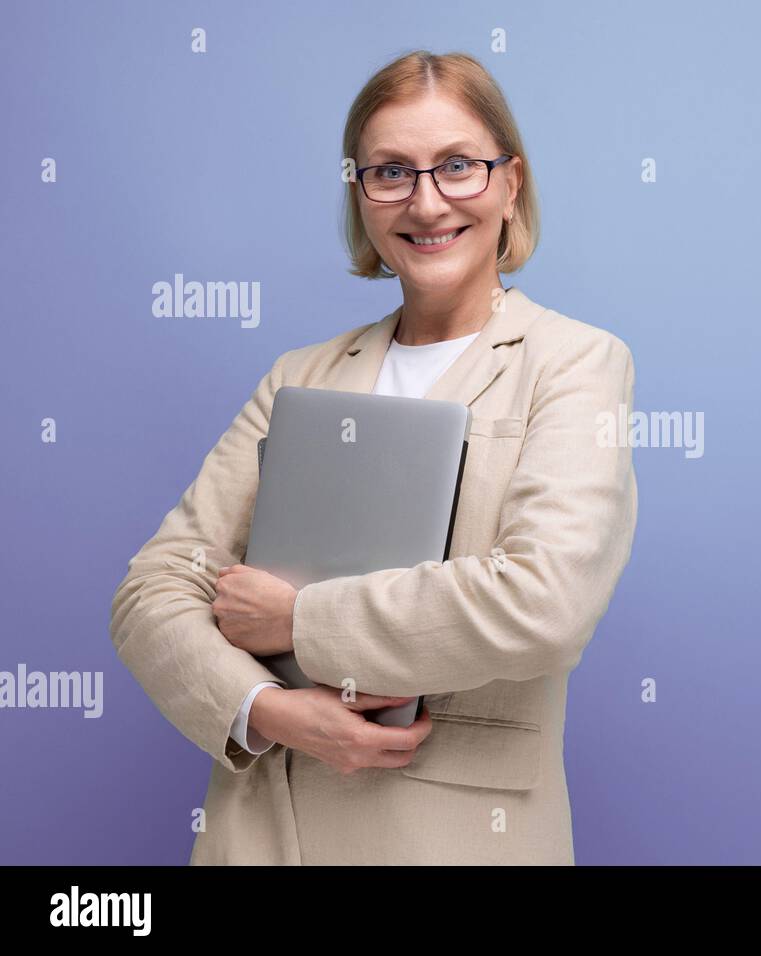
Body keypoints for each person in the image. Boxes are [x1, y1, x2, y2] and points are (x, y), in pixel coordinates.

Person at [109, 50, 638, 865]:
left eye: (458, 166)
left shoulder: (573, 364)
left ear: (510, 182)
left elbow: (545, 599)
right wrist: (264, 707)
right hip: (261, 833)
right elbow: (154, 588)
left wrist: (298, 623)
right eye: (390, 172)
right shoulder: (301, 376)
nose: (426, 203)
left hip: (450, 839)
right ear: (359, 193)